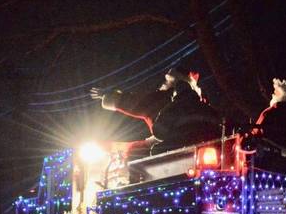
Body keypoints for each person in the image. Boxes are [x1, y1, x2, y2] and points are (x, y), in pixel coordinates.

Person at [91, 67, 219, 156]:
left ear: (172, 83)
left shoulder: (159, 101)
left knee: (134, 151)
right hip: (211, 148)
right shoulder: (203, 104)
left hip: (170, 146)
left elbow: (159, 130)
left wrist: (110, 96)